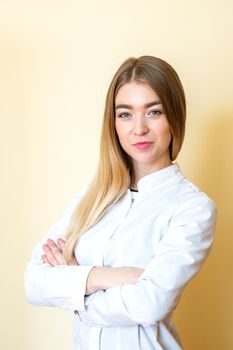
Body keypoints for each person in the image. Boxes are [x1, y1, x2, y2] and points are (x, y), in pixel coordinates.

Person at [24, 55, 217, 350]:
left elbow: (149, 305)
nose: (138, 129)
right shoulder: (95, 193)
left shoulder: (192, 208)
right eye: (125, 114)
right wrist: (110, 277)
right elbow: (34, 282)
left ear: (174, 117)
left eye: (154, 112)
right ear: (113, 122)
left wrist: (74, 287)